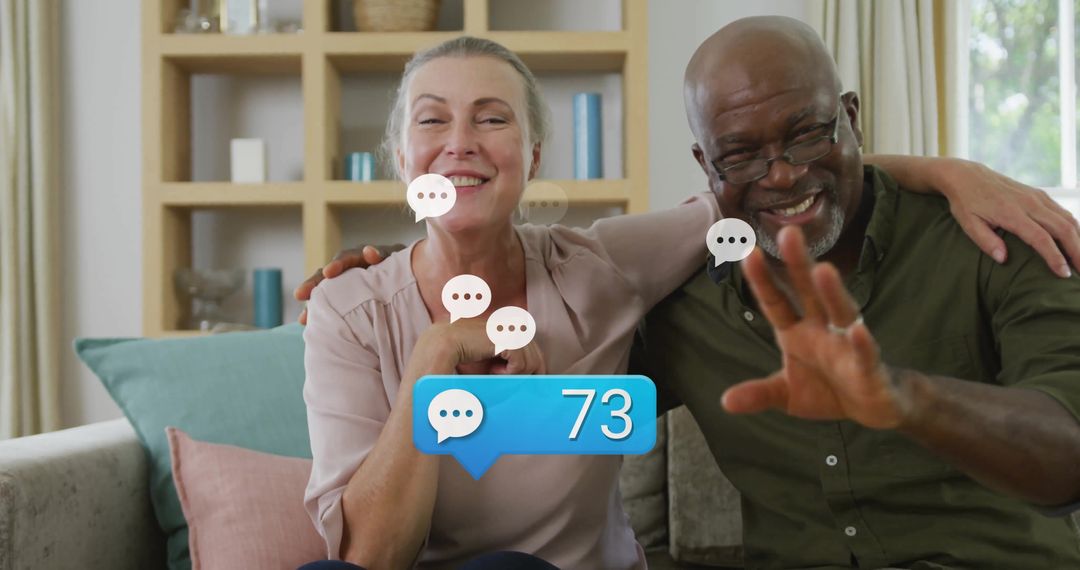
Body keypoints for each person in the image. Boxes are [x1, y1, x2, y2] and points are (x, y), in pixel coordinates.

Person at [296, 33, 1080, 570]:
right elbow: (368, 556)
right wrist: (426, 358)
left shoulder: (601, 269)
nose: (460, 142)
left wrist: (945, 172)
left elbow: (772, 186)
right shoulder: (351, 311)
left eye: (492, 117)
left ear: (532, 156)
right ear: (401, 157)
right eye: (433, 121)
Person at [631, 16, 1080, 568]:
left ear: (851, 118)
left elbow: (1070, 453)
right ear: (707, 165)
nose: (782, 176)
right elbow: (556, 419)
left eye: (806, 134)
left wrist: (909, 399)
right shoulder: (688, 300)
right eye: (741, 155)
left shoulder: (991, 239)